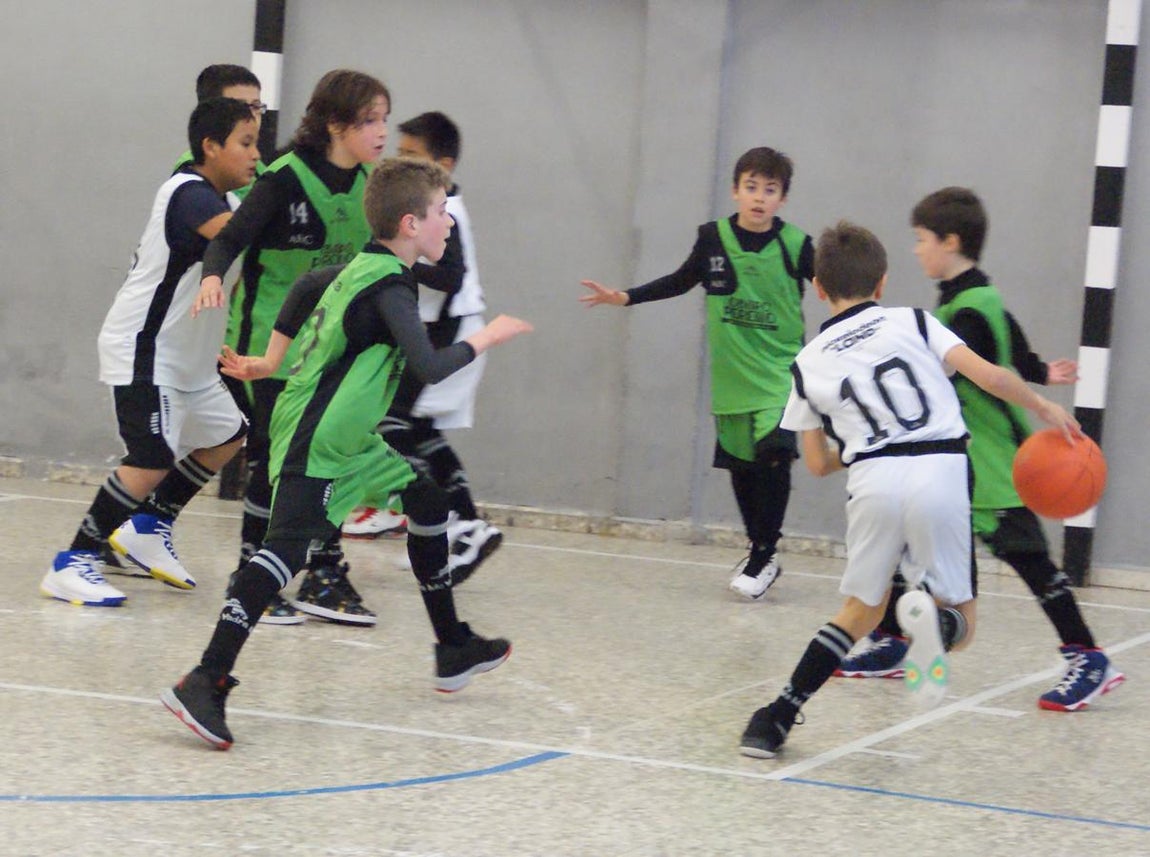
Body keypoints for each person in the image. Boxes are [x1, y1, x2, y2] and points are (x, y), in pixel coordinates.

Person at [161, 158, 533, 749]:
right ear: (411, 223)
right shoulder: (391, 286)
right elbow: (428, 365)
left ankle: (452, 646)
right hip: (319, 437)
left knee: (427, 501)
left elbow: (308, 285)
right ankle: (205, 680)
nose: (448, 224)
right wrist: (488, 335)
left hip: (352, 438)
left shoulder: (370, 266)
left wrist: (272, 359)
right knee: (283, 553)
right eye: (441, 214)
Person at [739, 221, 1080, 758]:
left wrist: (858, 446)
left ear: (818, 288)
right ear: (882, 282)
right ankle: (932, 621)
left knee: (858, 612)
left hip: (872, 479)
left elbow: (817, 464)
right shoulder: (916, 322)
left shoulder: (806, 363)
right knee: (963, 628)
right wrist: (1043, 406)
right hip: (939, 468)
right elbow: (992, 377)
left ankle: (775, 718)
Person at [834, 187, 1126, 712]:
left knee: (1031, 561)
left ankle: (1088, 656)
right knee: (905, 540)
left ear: (950, 242)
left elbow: (981, 369)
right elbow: (1013, 346)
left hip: (994, 464)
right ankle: (895, 642)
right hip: (956, 461)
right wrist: (1041, 371)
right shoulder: (973, 298)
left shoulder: (967, 311)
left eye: (922, 240)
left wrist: (1040, 398)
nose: (917, 250)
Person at [40, 98, 259, 606]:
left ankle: (149, 525)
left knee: (229, 435)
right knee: (152, 457)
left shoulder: (222, 199)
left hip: (188, 359)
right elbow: (238, 236)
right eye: (246, 143)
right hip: (145, 350)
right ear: (211, 146)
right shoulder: (188, 193)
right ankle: (74, 561)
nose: (255, 154)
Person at [195, 69, 390, 625]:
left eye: (385, 119)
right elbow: (229, 241)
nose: (381, 132)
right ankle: (250, 576)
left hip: (334, 348)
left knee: (336, 458)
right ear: (335, 124)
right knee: (276, 463)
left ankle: (324, 574)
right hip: (268, 345)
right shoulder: (284, 178)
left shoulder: (374, 185)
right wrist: (213, 277)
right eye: (369, 120)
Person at [581, 147, 813, 600]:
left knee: (775, 454)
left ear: (783, 198)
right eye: (751, 187)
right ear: (735, 190)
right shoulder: (713, 239)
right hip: (733, 377)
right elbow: (681, 279)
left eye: (770, 190)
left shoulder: (797, 245)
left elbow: (836, 287)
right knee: (743, 467)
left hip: (781, 373)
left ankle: (765, 552)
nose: (759, 197)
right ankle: (759, 548)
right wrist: (625, 297)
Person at [344, 111, 501, 568]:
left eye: (413, 155)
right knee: (418, 428)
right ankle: (462, 522)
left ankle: (455, 522)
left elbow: (452, 277)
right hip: (444, 327)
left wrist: (399, 264)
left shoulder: (445, 209)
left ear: (444, 165)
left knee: (393, 424)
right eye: (400, 152)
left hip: (451, 329)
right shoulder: (433, 205)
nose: (401, 162)